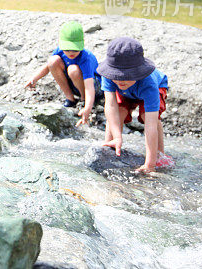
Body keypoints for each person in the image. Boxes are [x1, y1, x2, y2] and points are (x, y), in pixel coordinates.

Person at [97, 37, 173, 173]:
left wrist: (149, 165)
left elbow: (150, 126)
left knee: (148, 118)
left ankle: (158, 154)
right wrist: (117, 137)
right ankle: (110, 145)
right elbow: (110, 107)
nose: (121, 80)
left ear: (137, 72)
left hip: (152, 87)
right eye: (117, 76)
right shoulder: (110, 77)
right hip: (127, 92)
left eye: (126, 76)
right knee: (118, 112)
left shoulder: (149, 84)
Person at [25, 20, 103, 126]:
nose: (71, 53)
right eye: (67, 49)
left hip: (93, 88)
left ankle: (83, 100)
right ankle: (70, 98)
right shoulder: (60, 51)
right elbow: (47, 67)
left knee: (73, 69)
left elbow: (89, 87)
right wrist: (34, 78)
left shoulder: (86, 58)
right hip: (75, 83)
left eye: (74, 50)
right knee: (53, 61)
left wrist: (88, 108)